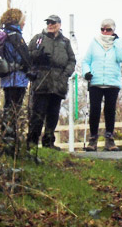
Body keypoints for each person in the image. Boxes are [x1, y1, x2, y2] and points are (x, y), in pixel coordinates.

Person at [27, 15, 76, 149]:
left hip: (58, 83)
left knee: (53, 114)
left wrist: (65, 74)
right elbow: (27, 55)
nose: (50, 25)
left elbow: (72, 60)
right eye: (48, 22)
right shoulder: (38, 38)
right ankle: (32, 141)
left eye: (53, 22)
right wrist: (36, 57)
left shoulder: (65, 42)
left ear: (59, 25)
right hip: (41, 81)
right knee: (38, 113)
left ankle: (48, 142)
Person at [82, 18, 122, 152]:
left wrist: (117, 41)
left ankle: (109, 139)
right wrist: (86, 73)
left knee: (110, 110)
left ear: (113, 31)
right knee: (94, 110)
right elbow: (86, 61)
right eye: (103, 29)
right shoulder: (94, 43)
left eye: (108, 30)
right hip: (95, 82)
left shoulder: (118, 44)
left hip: (112, 82)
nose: (105, 32)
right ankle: (93, 139)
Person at [0, 8, 30, 138]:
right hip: (17, 79)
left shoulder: (5, 33)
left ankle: (6, 135)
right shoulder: (15, 36)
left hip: (7, 79)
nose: (24, 23)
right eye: (23, 21)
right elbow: (20, 57)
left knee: (8, 107)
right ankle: (10, 136)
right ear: (18, 21)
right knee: (13, 109)